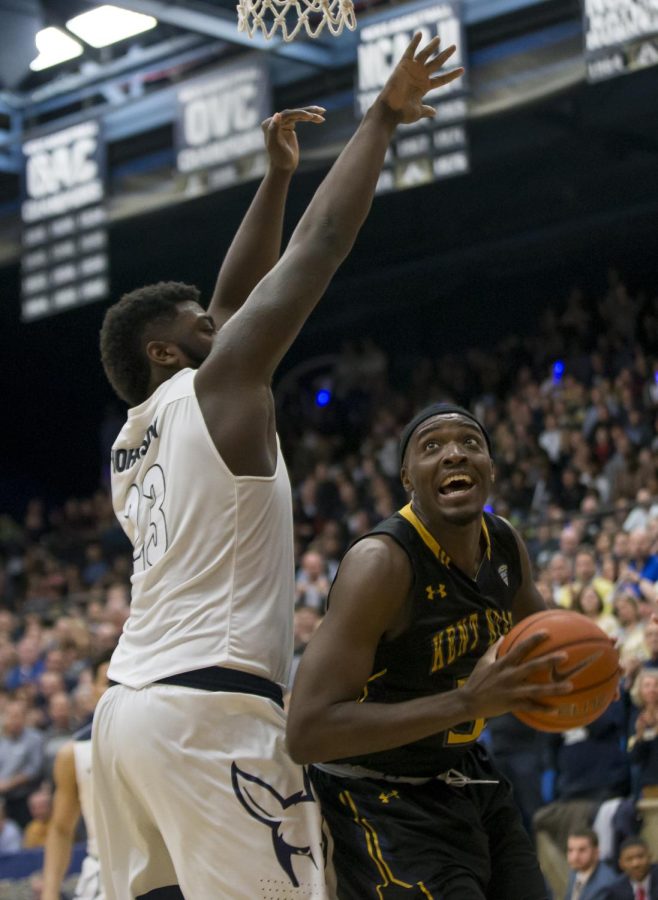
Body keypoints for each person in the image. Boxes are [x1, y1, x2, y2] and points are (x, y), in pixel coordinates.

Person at [93, 37, 464, 900]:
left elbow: (227, 301)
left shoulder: (130, 439)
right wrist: (381, 117)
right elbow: (319, 249)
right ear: (165, 350)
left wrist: (274, 176)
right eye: (200, 325)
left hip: (124, 719)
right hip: (210, 711)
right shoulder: (216, 386)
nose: (221, 324)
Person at [287, 402, 576, 899]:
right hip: (376, 793)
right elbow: (307, 733)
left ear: (490, 467)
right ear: (407, 478)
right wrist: (465, 703)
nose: (454, 455)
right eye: (432, 447)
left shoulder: (504, 543)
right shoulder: (382, 564)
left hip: (466, 776)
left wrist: (588, 668)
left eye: (470, 444)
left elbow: (545, 652)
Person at [42, 655, 110, 900]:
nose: (115, 691)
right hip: (101, 875)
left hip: (159, 874)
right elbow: (60, 829)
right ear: (92, 689)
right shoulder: (74, 753)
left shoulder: (158, 744)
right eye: (107, 683)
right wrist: (49, 894)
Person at [564, 829, 617, 900]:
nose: (574, 857)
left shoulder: (606, 884)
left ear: (596, 852)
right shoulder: (575, 870)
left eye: (582, 850)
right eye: (570, 850)